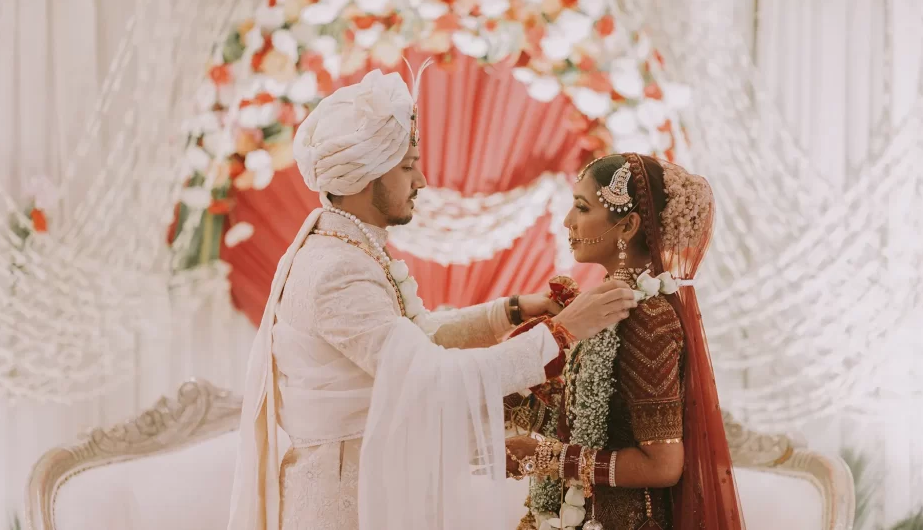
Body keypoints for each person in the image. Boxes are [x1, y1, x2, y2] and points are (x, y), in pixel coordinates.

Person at [226, 68, 636, 530]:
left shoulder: (348, 248)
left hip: (364, 481)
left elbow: (411, 339)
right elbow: (430, 376)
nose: (421, 180)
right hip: (344, 503)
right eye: (407, 166)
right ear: (366, 175)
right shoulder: (335, 271)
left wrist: (513, 310)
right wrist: (561, 334)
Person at [503, 153, 745, 530]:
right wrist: (518, 395)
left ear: (628, 226)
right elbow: (596, 422)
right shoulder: (607, 306)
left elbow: (663, 465)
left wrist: (550, 458)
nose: (568, 221)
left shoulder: (648, 318)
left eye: (581, 208)